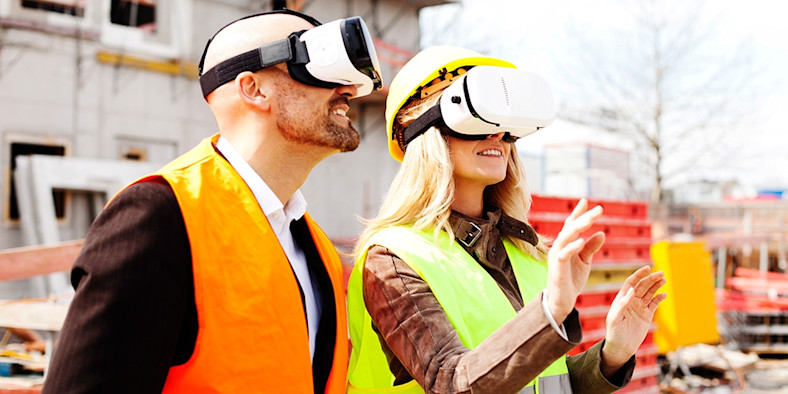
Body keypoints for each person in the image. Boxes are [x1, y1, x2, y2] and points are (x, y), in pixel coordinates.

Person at [43, 9, 381, 393]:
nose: (349, 90)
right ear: (253, 88)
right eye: (318, 61)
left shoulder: (314, 246)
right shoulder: (160, 216)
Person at [346, 46, 667, 393]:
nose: (497, 135)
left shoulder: (526, 253)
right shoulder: (393, 260)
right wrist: (549, 312)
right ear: (423, 131)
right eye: (477, 119)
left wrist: (612, 355)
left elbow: (542, 384)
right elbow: (450, 382)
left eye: (503, 123)